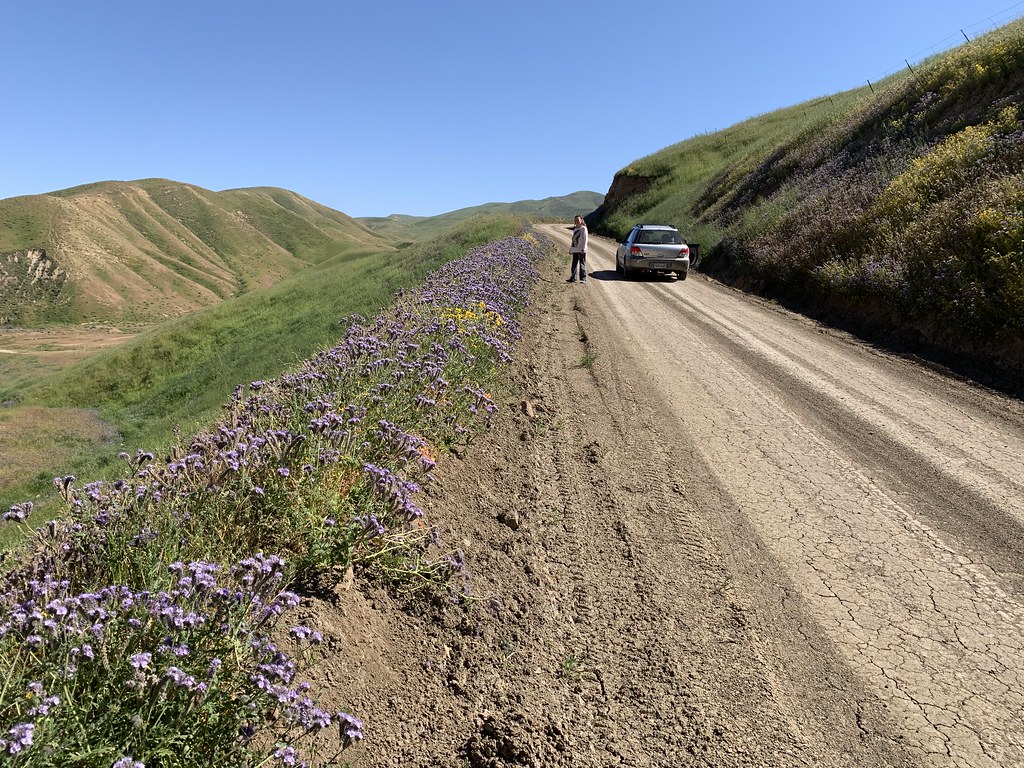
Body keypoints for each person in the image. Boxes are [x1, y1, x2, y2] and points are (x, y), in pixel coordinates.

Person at [567, 215, 588, 283]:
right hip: (575, 249)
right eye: (575, 220)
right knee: (574, 265)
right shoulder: (575, 229)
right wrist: (571, 249)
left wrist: (584, 248)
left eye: (578, 220)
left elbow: (585, 239)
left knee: (582, 264)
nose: (576, 221)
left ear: (581, 220)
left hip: (581, 250)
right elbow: (573, 240)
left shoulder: (583, 228)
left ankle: (583, 279)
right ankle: (573, 278)